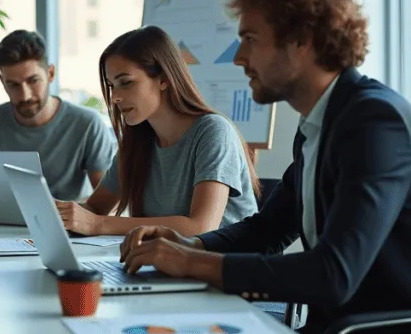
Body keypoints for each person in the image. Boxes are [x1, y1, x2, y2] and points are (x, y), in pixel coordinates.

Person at [119, 0, 411, 334]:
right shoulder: (319, 123)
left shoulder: (374, 123)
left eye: (250, 39)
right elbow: (268, 230)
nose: (239, 57)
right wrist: (190, 244)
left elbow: (334, 274)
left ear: (302, 41)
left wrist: (191, 263)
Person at [55, 25, 260, 237]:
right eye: (111, 85)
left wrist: (98, 224)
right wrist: (61, 213)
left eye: (125, 83)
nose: (115, 97)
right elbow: (96, 209)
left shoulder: (213, 132)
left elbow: (201, 227)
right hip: (170, 263)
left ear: (164, 79)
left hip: (227, 265)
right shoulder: (137, 142)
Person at [0, 30, 116, 206]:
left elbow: (108, 202)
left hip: (68, 228)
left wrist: (55, 210)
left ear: (51, 74)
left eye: (33, 80)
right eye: (13, 85)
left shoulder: (88, 124)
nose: (25, 95)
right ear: (2, 81)